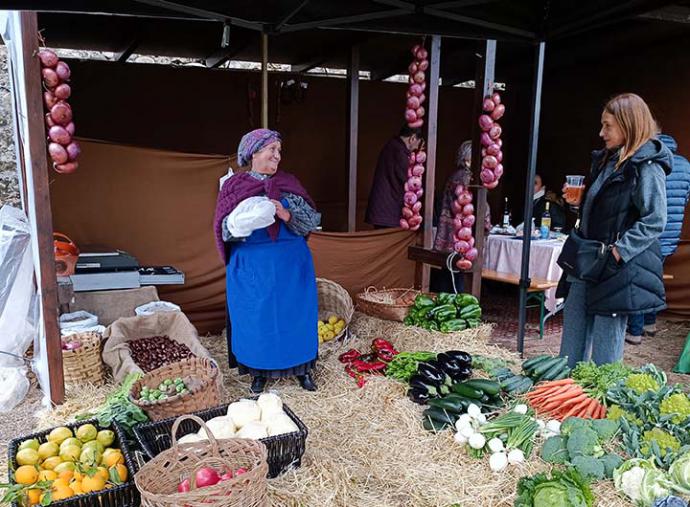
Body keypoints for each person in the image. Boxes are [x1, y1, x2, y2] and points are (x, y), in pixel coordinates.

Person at [558, 93, 672, 367]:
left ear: (628, 124)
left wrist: (620, 251)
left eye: (607, 125)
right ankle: (563, 392)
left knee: (605, 354)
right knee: (571, 332)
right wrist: (578, 204)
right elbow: (603, 212)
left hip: (614, 269)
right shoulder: (607, 160)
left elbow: (655, 219)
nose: (601, 132)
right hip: (586, 259)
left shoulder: (647, 165)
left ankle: (600, 404)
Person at [214, 129, 322, 393]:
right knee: (256, 319)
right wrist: (243, 220)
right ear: (253, 152)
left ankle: (302, 369)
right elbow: (223, 229)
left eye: (279, 151)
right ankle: (258, 373)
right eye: (272, 149)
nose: (277, 155)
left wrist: (284, 213)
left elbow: (312, 222)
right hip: (252, 267)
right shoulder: (234, 186)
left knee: (296, 317)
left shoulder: (290, 183)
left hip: (291, 266)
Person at [625, 133, 690, 344]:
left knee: (637, 280)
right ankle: (649, 324)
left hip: (647, 231)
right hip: (671, 234)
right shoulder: (684, 165)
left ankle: (634, 331)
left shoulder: (648, 161)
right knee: (653, 277)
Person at [431, 140, 491, 293]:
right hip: (460, 235)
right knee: (457, 274)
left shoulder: (458, 176)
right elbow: (470, 206)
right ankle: (456, 307)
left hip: (454, 234)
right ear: (468, 159)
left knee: (450, 271)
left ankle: (446, 304)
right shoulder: (465, 178)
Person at [365, 125, 423, 228]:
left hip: (383, 209)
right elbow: (409, 180)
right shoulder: (399, 151)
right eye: (416, 144)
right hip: (387, 211)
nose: (415, 148)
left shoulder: (392, 146)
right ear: (412, 138)